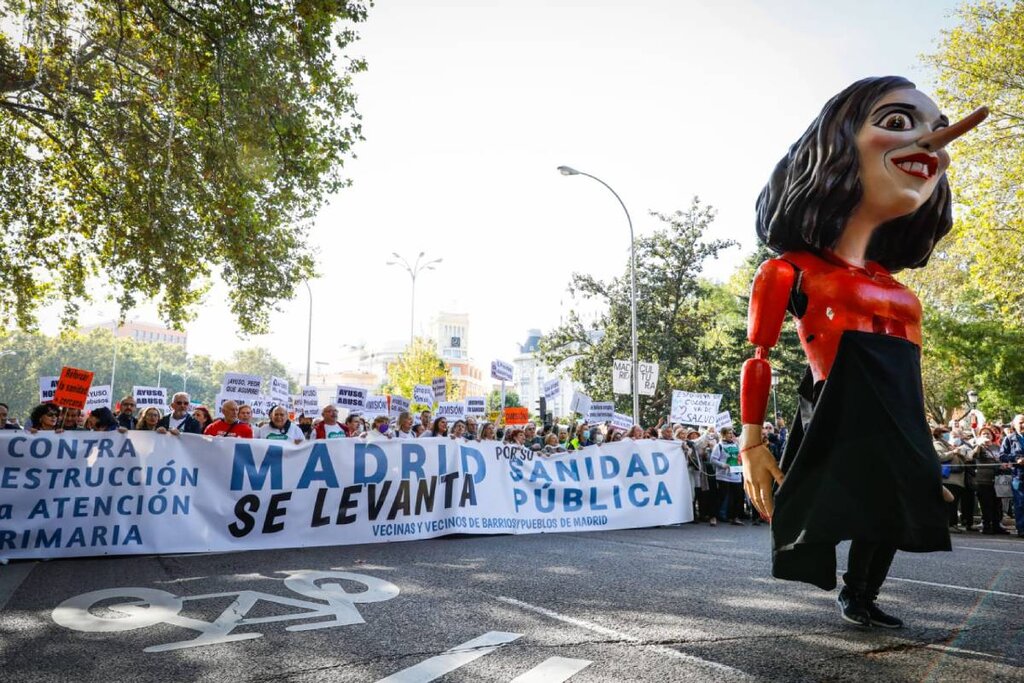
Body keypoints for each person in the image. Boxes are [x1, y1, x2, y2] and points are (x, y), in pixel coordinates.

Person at [740, 76, 987, 628]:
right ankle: (850, 585)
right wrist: (750, 440)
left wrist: (920, 449)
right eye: (899, 122)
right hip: (836, 401)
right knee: (841, 504)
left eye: (937, 131)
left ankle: (862, 590)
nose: (930, 142)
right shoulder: (789, 269)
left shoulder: (900, 289)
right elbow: (759, 353)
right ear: (836, 144)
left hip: (894, 409)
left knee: (895, 510)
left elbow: (909, 376)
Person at [971, 425, 1008, 535]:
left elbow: (1002, 459)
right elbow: (972, 456)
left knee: (997, 504)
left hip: (997, 480)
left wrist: (1003, 465)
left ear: (992, 436)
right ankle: (986, 526)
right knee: (985, 504)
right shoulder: (979, 447)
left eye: (988, 433)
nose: (986, 435)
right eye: (984, 434)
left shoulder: (997, 447)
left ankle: (997, 525)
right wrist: (978, 445)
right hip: (983, 480)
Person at [932, 426, 967, 533]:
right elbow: (940, 457)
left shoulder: (950, 445)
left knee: (954, 503)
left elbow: (965, 459)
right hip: (948, 479)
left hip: (958, 479)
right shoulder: (937, 444)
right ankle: (948, 524)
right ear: (939, 434)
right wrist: (953, 452)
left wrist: (959, 452)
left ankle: (953, 523)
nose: (948, 435)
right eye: (945, 433)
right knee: (949, 503)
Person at [710, 426, 744, 525]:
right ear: (724, 434)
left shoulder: (736, 445)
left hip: (736, 476)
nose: (731, 435)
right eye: (729, 433)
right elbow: (713, 459)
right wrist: (722, 465)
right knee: (721, 497)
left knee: (738, 496)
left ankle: (735, 517)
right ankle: (713, 517)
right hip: (723, 476)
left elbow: (740, 457)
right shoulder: (719, 446)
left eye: (732, 433)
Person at [998, 414, 1024, 537]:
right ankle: (1022, 528)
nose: (1023, 425)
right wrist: (1016, 459)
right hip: (1018, 475)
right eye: (1021, 422)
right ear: (1014, 424)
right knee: (1020, 503)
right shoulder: (1009, 439)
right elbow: (1002, 456)